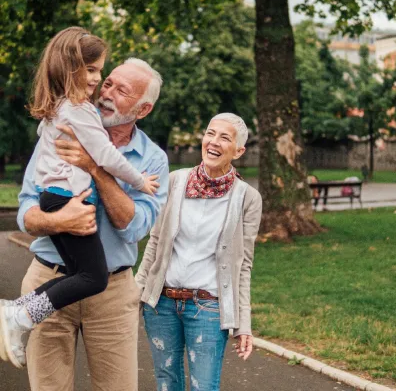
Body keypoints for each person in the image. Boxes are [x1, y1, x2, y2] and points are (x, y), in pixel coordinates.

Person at [4, 55, 169, 390]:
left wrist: (95, 168)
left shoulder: (153, 159)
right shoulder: (67, 125)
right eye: (108, 82)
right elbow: (25, 212)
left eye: (122, 91)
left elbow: (134, 228)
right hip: (48, 277)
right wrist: (58, 220)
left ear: (143, 109)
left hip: (111, 292)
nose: (106, 91)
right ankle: (19, 312)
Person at [136, 113, 262, 391]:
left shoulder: (247, 198)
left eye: (224, 138)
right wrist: (137, 292)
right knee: (166, 383)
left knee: (204, 386)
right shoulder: (174, 182)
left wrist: (244, 324)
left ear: (239, 151)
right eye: (210, 133)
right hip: (162, 305)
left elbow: (244, 265)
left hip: (208, 308)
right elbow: (154, 243)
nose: (214, 142)